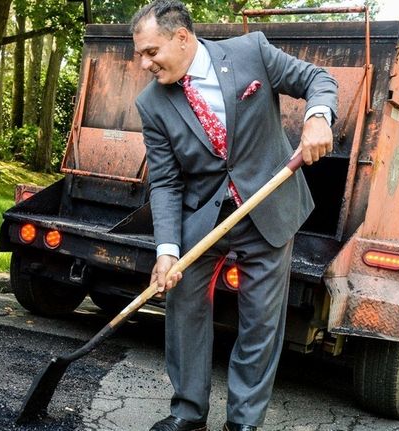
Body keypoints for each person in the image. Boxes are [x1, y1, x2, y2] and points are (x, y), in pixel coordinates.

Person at [130, 2, 337, 431]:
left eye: (152, 52)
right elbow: (166, 182)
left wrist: (318, 117)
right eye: (141, 54)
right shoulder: (152, 104)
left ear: (182, 37)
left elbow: (318, 79)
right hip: (202, 217)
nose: (145, 63)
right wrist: (167, 251)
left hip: (269, 209)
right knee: (184, 310)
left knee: (260, 322)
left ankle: (242, 422)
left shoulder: (251, 53)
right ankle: (188, 414)